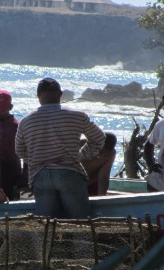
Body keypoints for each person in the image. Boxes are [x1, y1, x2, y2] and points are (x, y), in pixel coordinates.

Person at [15, 77, 106, 219]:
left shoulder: (26, 121)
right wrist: (82, 155)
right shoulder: (77, 116)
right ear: (60, 94)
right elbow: (99, 138)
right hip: (69, 173)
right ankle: (81, 242)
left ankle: (46, 242)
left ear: (38, 96)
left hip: (40, 175)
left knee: (46, 226)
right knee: (80, 223)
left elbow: (19, 151)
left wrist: (35, 159)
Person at [82, 131, 117, 196]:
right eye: (101, 152)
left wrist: (102, 196)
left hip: (92, 182)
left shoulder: (111, 154)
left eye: (106, 154)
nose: (103, 156)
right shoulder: (81, 145)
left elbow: (104, 176)